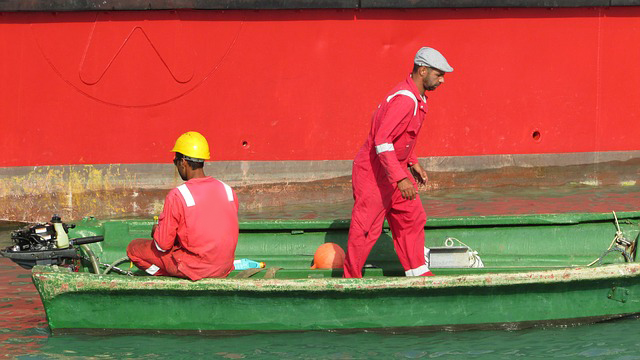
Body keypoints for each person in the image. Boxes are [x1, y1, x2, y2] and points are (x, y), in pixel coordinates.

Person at [343, 47, 453, 278]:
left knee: (412, 216)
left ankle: (417, 272)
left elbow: (400, 137)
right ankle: (351, 279)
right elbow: (382, 141)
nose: (442, 80)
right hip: (374, 173)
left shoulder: (417, 97)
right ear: (422, 71)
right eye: (438, 74)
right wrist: (401, 178)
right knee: (366, 229)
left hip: (393, 170)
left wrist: (412, 163)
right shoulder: (405, 100)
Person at [127, 131, 239, 280]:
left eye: (175, 162)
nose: (176, 165)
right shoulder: (228, 190)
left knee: (134, 248)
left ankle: (166, 276)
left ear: (183, 162)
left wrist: (156, 232)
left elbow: (162, 246)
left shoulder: (178, 195)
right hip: (224, 267)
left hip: (196, 269)